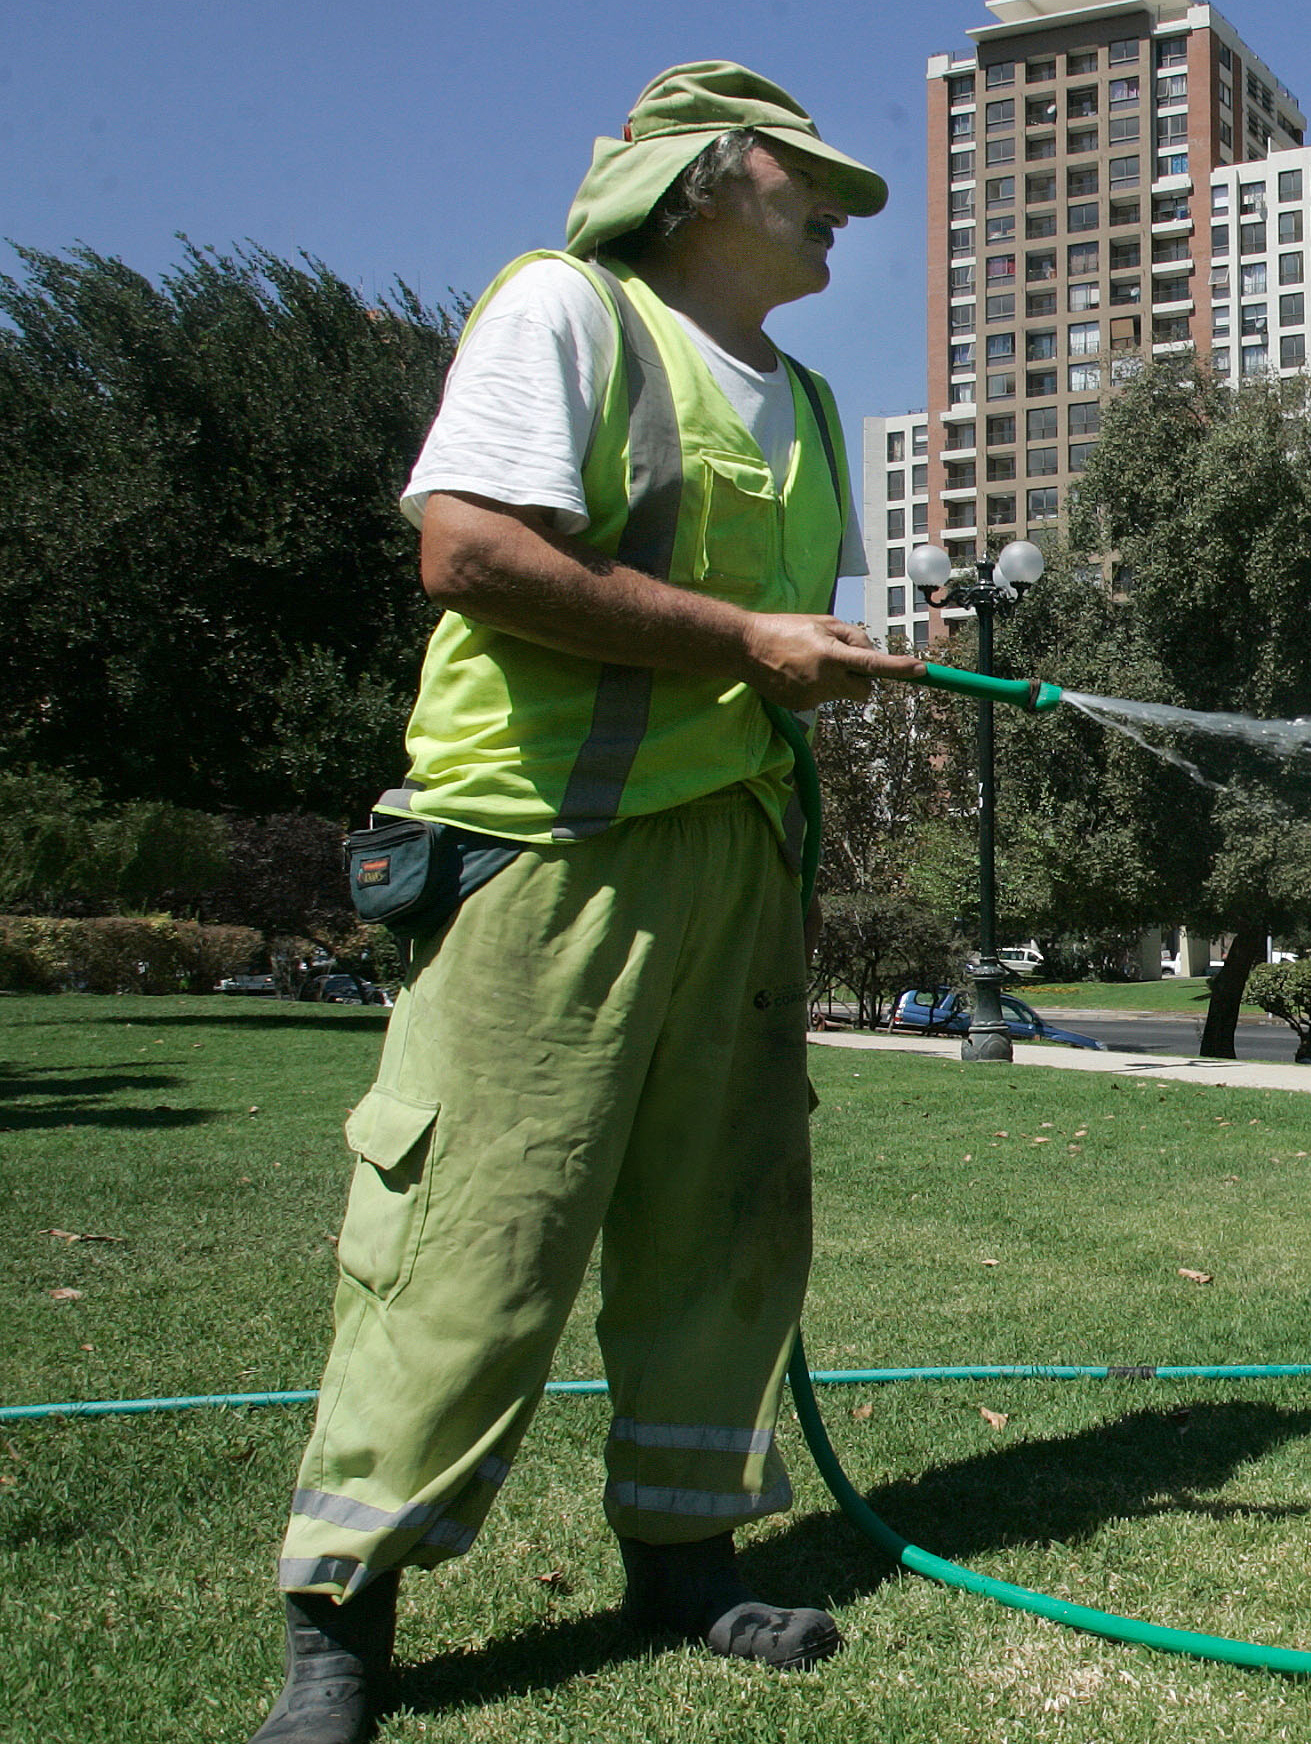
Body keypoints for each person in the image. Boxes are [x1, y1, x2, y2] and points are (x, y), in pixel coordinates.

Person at [251, 64, 923, 1744]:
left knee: (725, 1224)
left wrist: (802, 673)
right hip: (547, 847)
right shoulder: (566, 314)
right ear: (702, 178)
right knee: (478, 1234)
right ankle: (342, 1623)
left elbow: (770, 653)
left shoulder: (819, 407)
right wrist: (749, 644)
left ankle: (685, 1557)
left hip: (738, 857)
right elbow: (469, 553)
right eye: (809, 178)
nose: (842, 209)